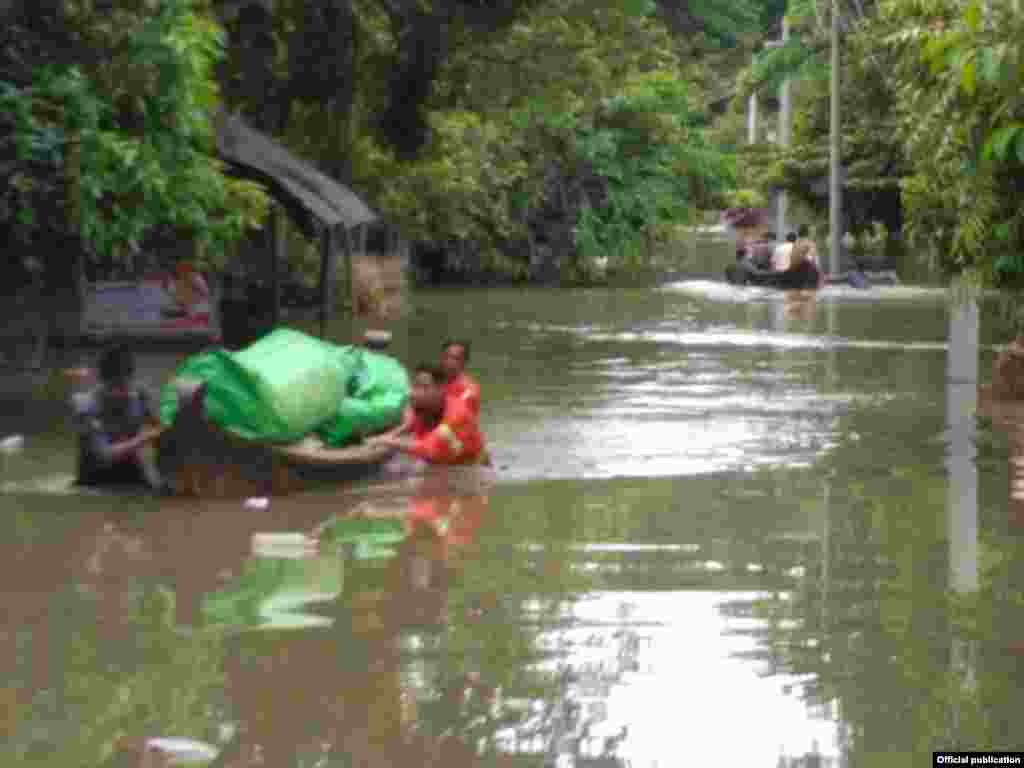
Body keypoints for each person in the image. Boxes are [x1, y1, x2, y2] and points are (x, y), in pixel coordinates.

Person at [71, 345, 165, 490]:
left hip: (130, 469)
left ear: (131, 379)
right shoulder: (86, 405)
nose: (120, 393)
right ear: (103, 382)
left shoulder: (140, 396)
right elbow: (103, 455)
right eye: (114, 386)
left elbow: (162, 430)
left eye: (124, 385)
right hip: (94, 477)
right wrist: (144, 438)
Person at [369, 364, 487, 465]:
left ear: (441, 389)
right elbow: (409, 420)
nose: (417, 393)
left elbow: (426, 448)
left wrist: (386, 441)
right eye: (416, 386)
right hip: (442, 462)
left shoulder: (456, 416)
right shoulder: (424, 405)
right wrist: (394, 432)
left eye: (424, 387)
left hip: (469, 469)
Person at [440, 339, 480, 416]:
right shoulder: (436, 383)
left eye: (455, 358)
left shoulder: (469, 390)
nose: (449, 362)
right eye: (446, 357)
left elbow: (457, 415)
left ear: (464, 362)